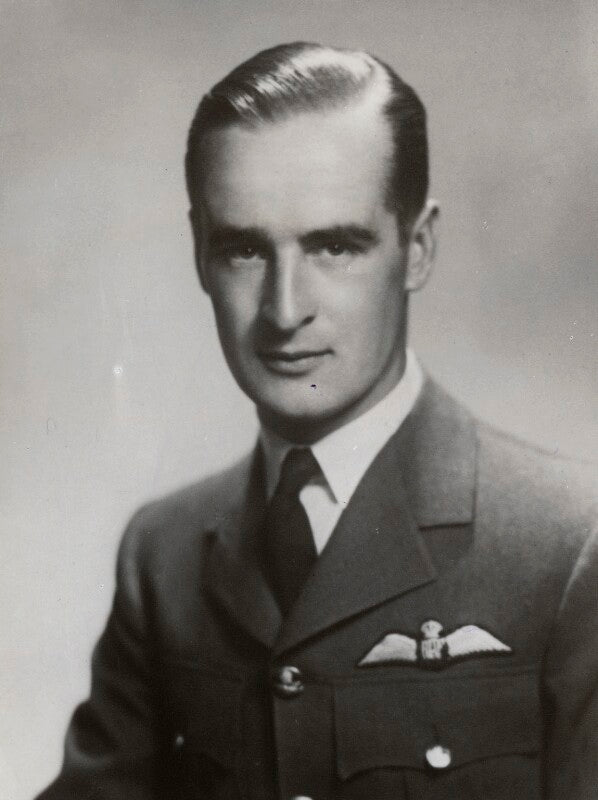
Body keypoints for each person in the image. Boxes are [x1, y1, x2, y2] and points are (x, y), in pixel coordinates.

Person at [37, 42, 597, 800]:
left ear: (418, 248)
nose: (284, 309)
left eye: (334, 246)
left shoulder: (569, 546)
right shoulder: (162, 554)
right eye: (244, 250)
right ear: (199, 254)